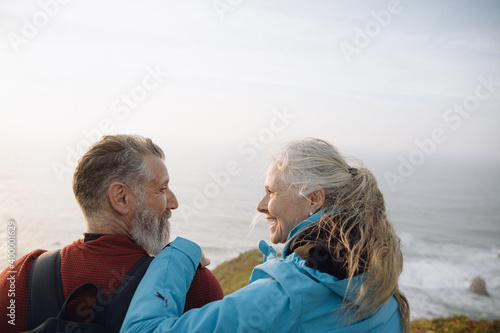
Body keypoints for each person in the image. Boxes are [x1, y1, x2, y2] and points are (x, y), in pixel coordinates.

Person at [121, 138, 410, 332]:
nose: (260, 206)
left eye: (271, 192)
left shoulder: (292, 294)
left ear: (314, 199)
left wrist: (178, 255)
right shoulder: (378, 277)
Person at [0, 134, 223, 332]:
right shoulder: (194, 286)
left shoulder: (19, 278)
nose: (173, 203)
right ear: (121, 198)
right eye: (162, 188)